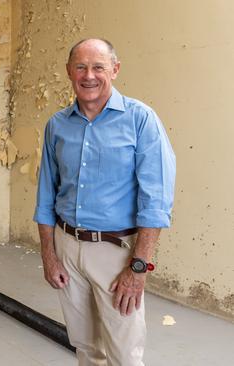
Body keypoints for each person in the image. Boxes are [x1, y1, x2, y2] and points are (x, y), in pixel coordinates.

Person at [33, 38, 175, 366]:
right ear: (69, 72)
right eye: (81, 67)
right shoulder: (57, 125)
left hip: (116, 254)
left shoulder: (141, 120)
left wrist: (138, 268)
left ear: (115, 69)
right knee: (85, 347)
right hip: (67, 246)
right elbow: (45, 197)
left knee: (124, 354)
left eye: (98, 66)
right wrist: (49, 255)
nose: (89, 75)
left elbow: (155, 202)